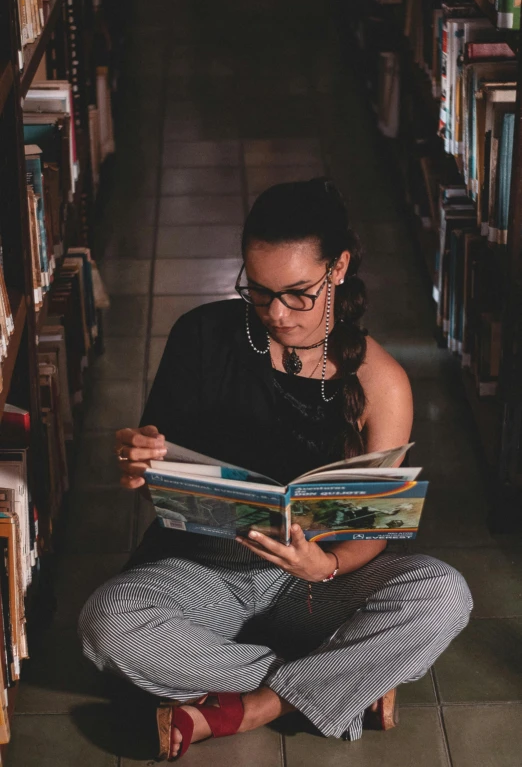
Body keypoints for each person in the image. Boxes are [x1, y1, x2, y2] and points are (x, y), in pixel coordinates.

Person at [78, 179, 473, 761]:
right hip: (204, 572)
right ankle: (340, 681)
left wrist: (327, 563)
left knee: (444, 595)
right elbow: (158, 472)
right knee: (106, 624)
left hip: (313, 588)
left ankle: (251, 703)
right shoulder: (203, 336)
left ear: (337, 269)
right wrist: (140, 459)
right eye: (259, 292)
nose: (277, 314)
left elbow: (372, 531)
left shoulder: (381, 382)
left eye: (297, 293)